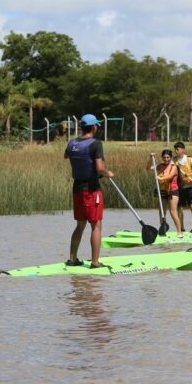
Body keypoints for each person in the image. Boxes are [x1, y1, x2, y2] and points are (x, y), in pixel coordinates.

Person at [65, 113, 115, 269]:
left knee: (80, 225)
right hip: (92, 190)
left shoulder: (72, 143)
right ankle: (95, 262)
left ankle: (72, 260)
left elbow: (66, 155)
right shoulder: (96, 144)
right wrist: (108, 173)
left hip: (77, 188)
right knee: (96, 225)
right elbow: (100, 168)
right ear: (94, 127)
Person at [147, 149, 183, 237]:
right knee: (162, 212)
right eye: (164, 157)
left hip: (173, 191)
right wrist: (150, 158)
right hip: (163, 191)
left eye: (168, 157)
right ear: (162, 158)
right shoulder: (161, 166)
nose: (166, 159)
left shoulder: (174, 166)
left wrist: (160, 178)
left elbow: (170, 176)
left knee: (173, 212)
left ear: (170, 158)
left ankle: (179, 232)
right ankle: (164, 228)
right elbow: (148, 168)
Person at [173, 141, 192, 232]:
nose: (176, 151)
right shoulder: (174, 160)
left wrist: (190, 174)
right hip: (180, 187)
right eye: (175, 149)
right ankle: (182, 227)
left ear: (183, 150)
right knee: (179, 207)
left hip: (190, 186)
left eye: (178, 149)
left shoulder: (190, 159)